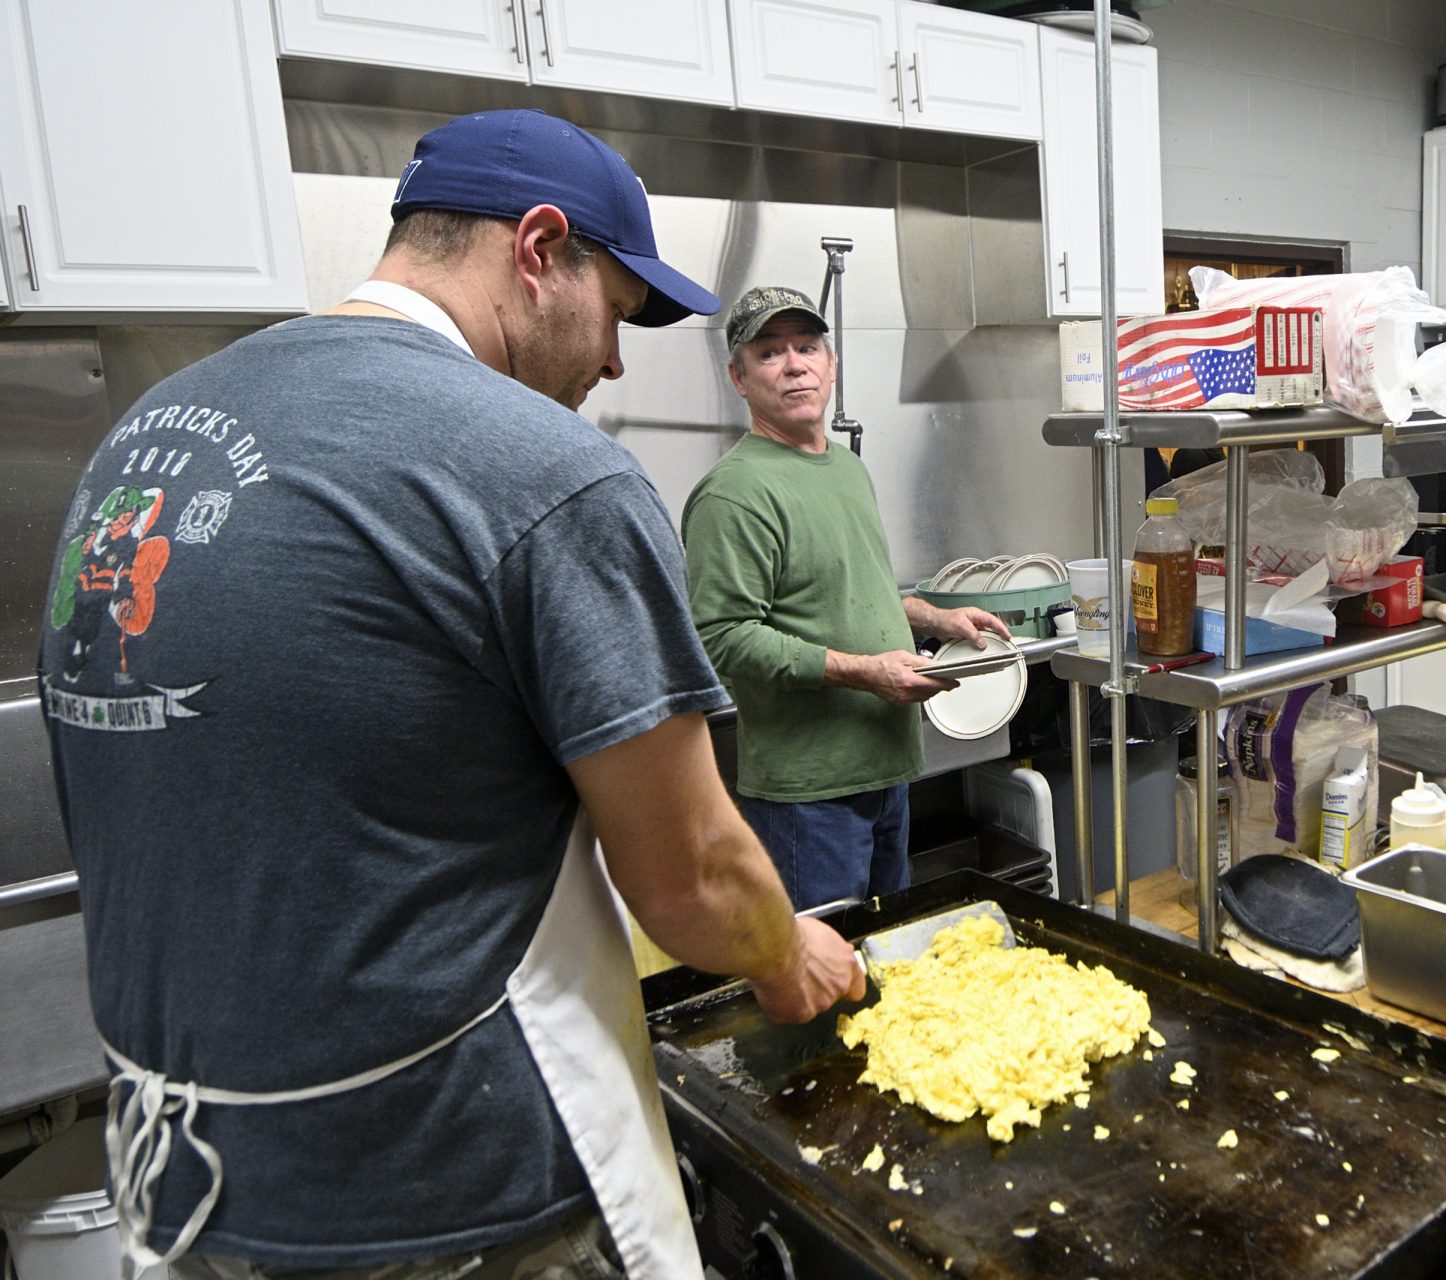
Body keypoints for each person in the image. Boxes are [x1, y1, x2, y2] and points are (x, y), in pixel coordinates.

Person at [37, 109, 862, 1280]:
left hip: (185, 1198)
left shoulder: (142, 444)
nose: (615, 362)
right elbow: (689, 872)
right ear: (536, 250)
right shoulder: (542, 467)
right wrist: (787, 956)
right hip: (453, 1201)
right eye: (618, 313)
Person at [682, 287, 1009, 911]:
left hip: (886, 769)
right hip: (808, 795)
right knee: (828, 978)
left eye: (808, 347)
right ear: (738, 377)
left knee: (887, 960)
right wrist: (864, 672)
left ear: (831, 365)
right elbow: (722, 635)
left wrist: (934, 615)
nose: (795, 364)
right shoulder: (735, 493)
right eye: (770, 352)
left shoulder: (846, 469)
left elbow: (856, 588)